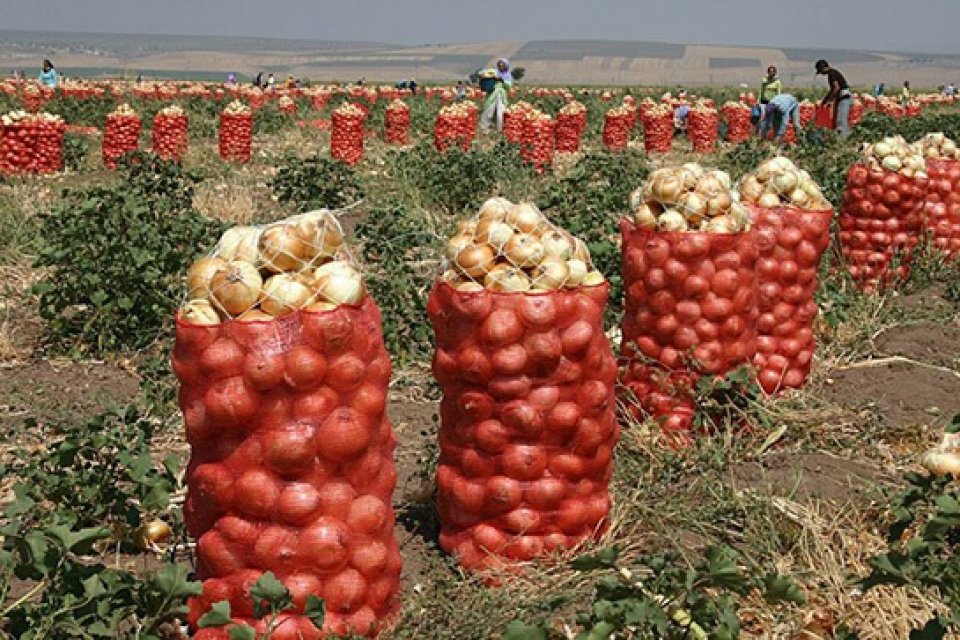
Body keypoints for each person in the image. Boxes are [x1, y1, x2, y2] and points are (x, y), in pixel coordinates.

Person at [815, 59, 852, 137]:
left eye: (821, 71)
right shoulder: (832, 73)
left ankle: (842, 139)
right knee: (838, 119)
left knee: (841, 120)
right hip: (841, 98)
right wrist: (824, 101)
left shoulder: (832, 73)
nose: (821, 74)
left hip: (844, 98)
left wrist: (830, 101)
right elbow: (832, 90)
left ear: (823, 68)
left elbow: (836, 87)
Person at [479, 59, 514, 133]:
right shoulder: (494, 72)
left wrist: (502, 80)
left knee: (500, 113)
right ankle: (484, 128)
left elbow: (508, 86)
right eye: (499, 65)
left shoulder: (508, 75)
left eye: (502, 65)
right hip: (492, 95)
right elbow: (483, 73)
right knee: (489, 111)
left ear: (506, 66)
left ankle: (499, 130)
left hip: (501, 96)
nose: (500, 66)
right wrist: (486, 76)